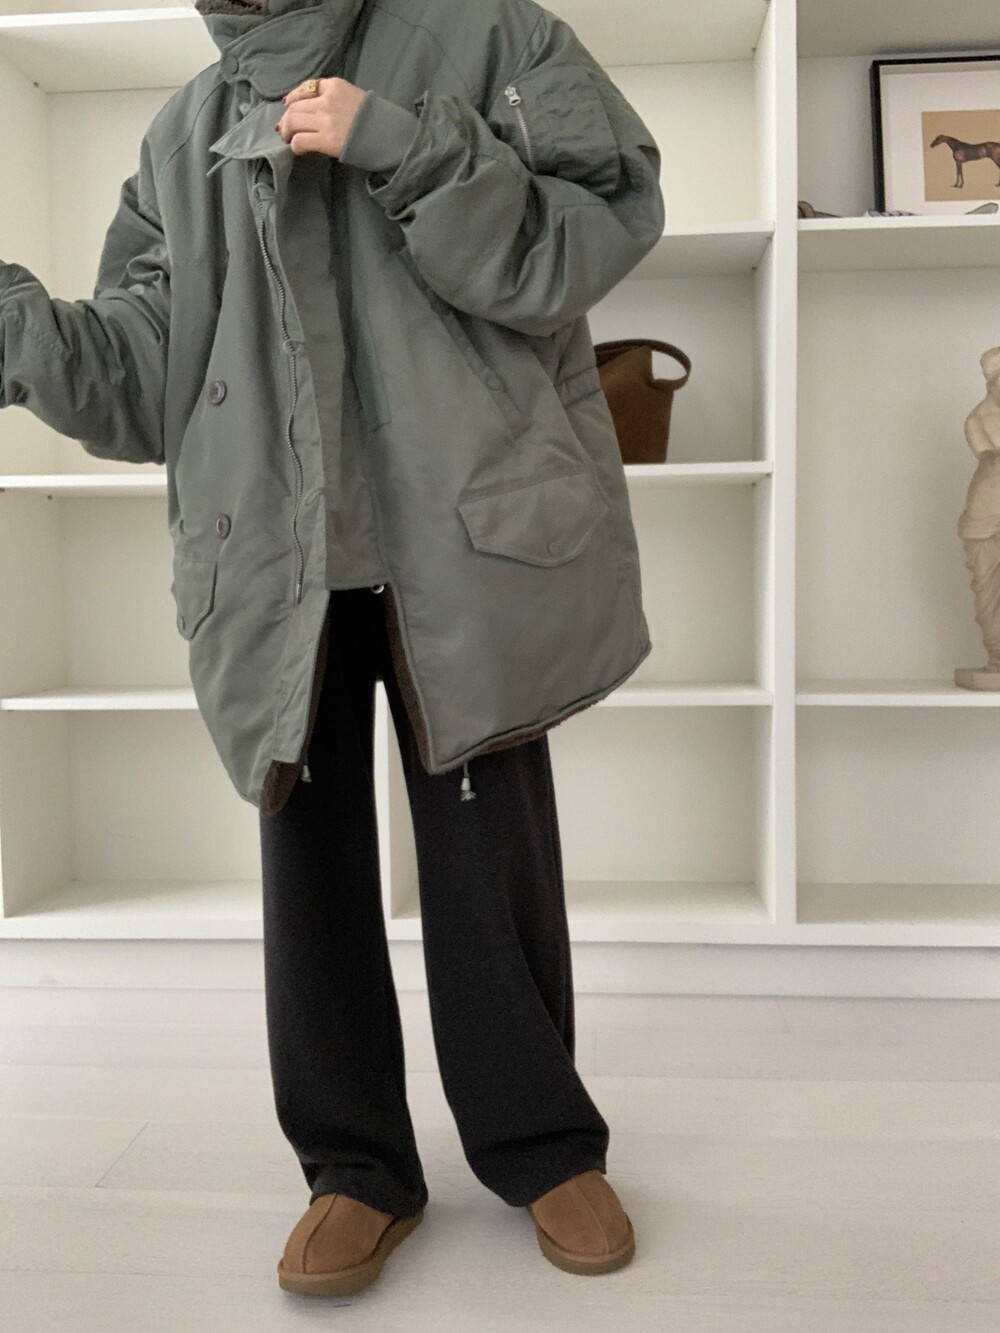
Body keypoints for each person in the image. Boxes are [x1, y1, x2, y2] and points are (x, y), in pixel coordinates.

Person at [0, 0, 665, 1297]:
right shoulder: (185, 132)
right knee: (307, 869)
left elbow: (595, 231)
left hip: (465, 535)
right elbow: (147, 377)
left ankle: (542, 1143)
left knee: (490, 856)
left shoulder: (485, 34)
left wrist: (410, 147)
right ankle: (353, 1167)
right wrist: (18, 328)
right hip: (275, 550)